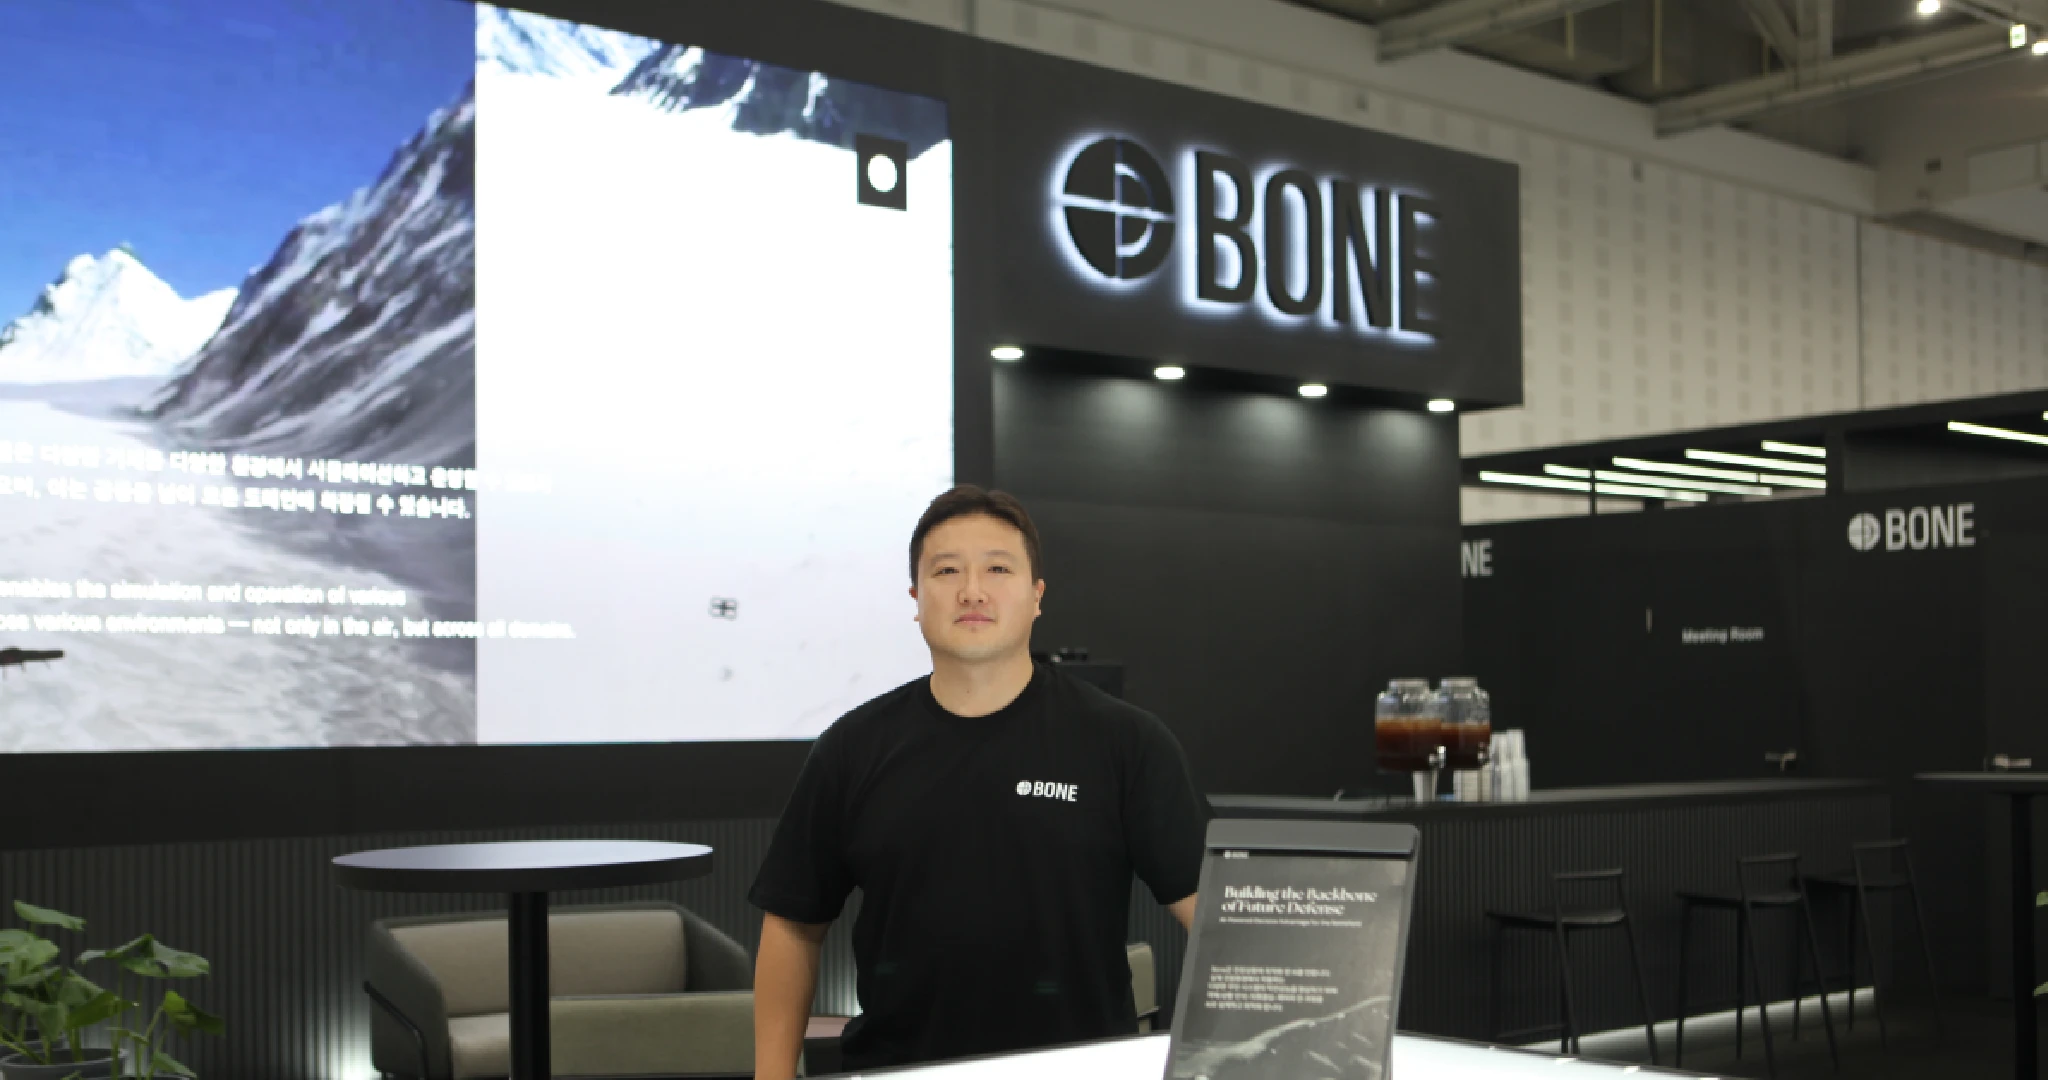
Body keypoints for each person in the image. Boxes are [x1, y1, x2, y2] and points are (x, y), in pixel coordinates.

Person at [748, 484, 1211, 1078]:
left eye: (997, 568)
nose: (972, 590)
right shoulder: (853, 746)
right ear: (916, 599)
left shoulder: (1126, 742)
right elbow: (793, 924)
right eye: (946, 571)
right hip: (899, 1069)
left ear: (1036, 595)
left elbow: (1213, 917)